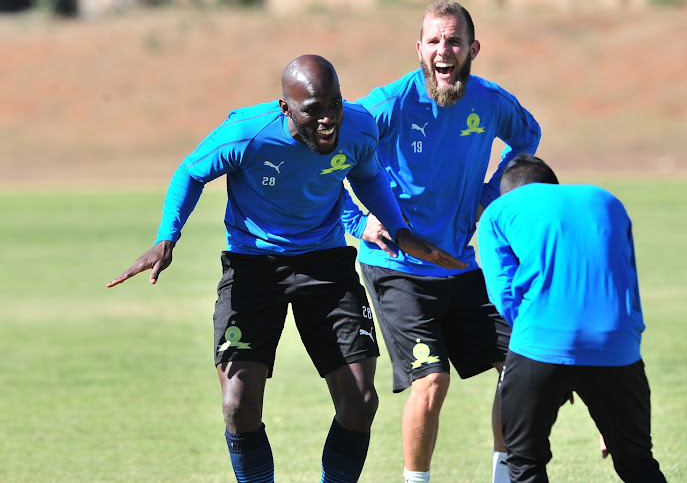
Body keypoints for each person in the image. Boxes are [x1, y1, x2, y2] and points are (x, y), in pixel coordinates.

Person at [106, 54, 467, 483]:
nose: (328, 119)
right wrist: (168, 236)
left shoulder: (359, 126)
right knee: (238, 404)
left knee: (360, 402)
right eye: (313, 110)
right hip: (253, 265)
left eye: (334, 104)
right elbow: (190, 171)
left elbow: (367, 175)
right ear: (286, 108)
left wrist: (399, 230)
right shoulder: (247, 134)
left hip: (325, 264)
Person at [341, 0, 541, 483]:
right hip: (398, 267)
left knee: (521, 365)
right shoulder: (387, 105)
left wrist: (492, 196)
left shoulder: (491, 102)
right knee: (431, 381)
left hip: (460, 263)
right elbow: (327, 162)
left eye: (453, 41)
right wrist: (358, 220)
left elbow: (528, 136)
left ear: (473, 48)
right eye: (434, 41)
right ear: (419, 49)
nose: (443, 50)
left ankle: (505, 477)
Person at [477, 154, 667, 483]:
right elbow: (626, 283)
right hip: (617, 348)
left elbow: (504, 295)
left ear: (507, 192)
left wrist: (545, 356)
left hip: (539, 342)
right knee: (638, 464)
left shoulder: (498, 211)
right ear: (554, 185)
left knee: (524, 464)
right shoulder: (606, 200)